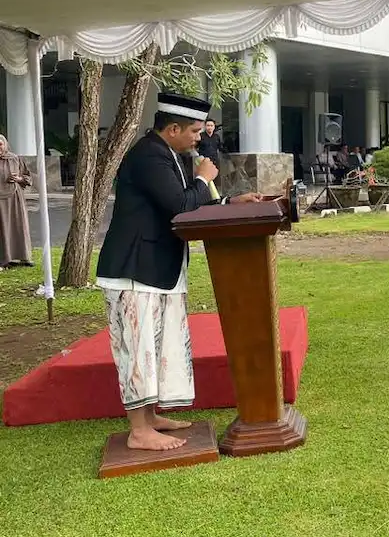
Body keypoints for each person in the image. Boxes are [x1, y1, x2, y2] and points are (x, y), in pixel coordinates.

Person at [96, 93, 263, 451]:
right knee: (138, 349)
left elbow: (185, 201)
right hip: (135, 269)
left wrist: (227, 202)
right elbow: (180, 205)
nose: (200, 138)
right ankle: (139, 431)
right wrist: (203, 179)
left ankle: (150, 417)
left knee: (155, 346)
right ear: (173, 129)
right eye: (195, 131)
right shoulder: (149, 156)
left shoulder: (167, 154)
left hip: (157, 268)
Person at [0, 134, 33, 268]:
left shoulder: (15, 159)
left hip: (14, 198)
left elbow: (27, 176)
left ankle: (23, 256)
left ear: (5, 145)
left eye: (0, 144)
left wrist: (19, 179)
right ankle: (5, 258)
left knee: (18, 225)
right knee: (2, 228)